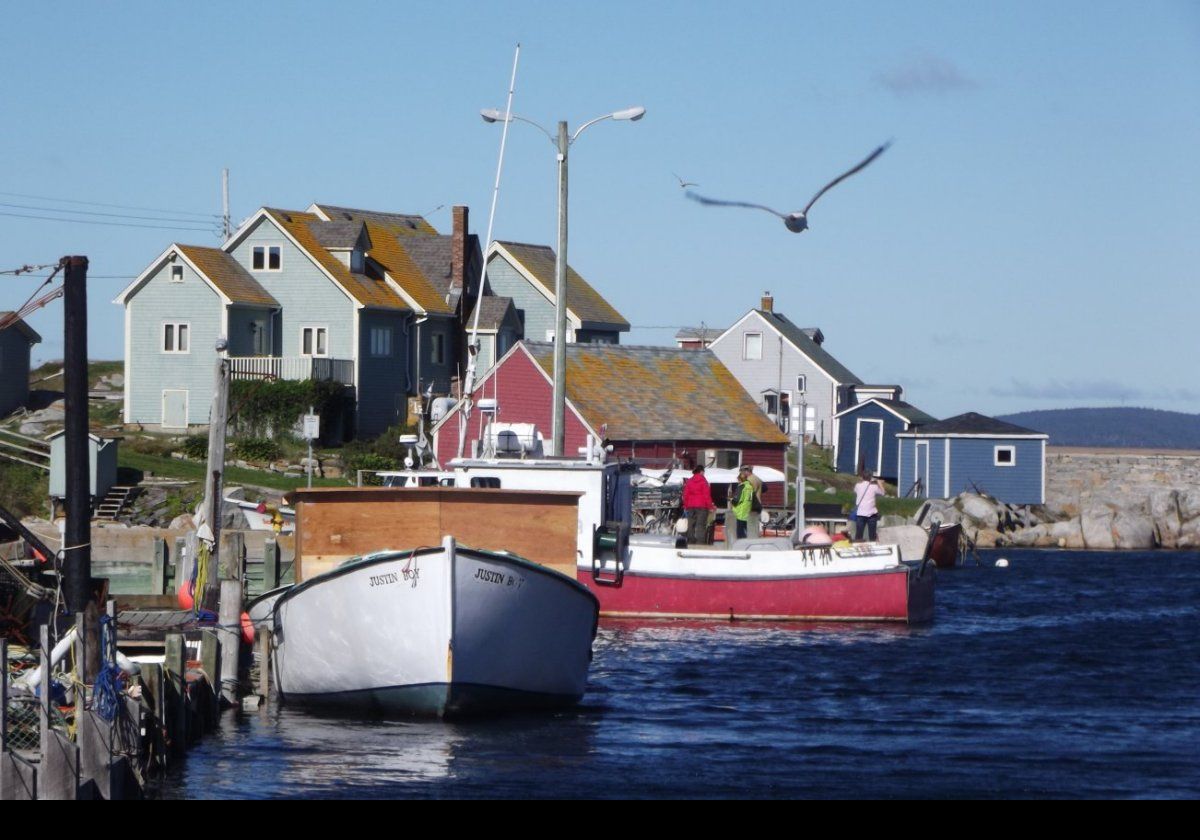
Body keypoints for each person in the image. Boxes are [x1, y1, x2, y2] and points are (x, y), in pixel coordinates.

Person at [682, 464, 716, 545]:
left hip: (690, 506)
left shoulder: (689, 481)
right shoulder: (704, 482)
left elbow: (685, 494)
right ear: (701, 472)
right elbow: (706, 495)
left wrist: (686, 505)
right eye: (703, 472)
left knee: (691, 524)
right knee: (700, 525)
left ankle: (690, 540)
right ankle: (700, 542)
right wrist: (710, 506)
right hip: (702, 506)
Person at [853, 471, 886, 541]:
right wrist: (879, 483)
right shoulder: (874, 487)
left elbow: (857, 489)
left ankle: (857, 547)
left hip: (860, 513)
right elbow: (883, 493)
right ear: (870, 478)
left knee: (859, 535)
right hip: (872, 514)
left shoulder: (857, 486)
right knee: (872, 535)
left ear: (862, 477)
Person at [731, 466, 755, 540]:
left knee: (740, 533)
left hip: (740, 513)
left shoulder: (741, 487)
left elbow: (736, 500)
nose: (738, 481)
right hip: (747, 511)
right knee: (746, 531)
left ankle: (740, 547)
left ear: (740, 479)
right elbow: (750, 499)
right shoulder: (750, 487)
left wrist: (731, 499)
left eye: (738, 480)